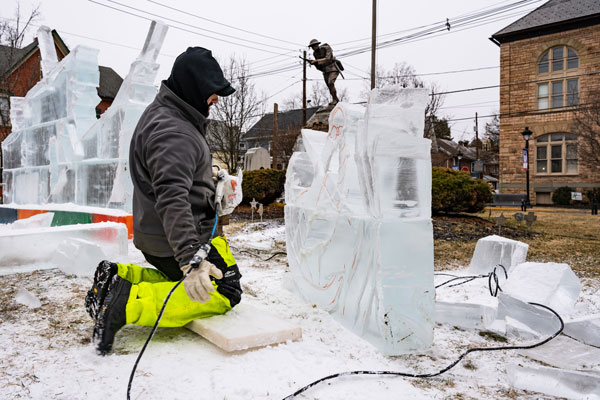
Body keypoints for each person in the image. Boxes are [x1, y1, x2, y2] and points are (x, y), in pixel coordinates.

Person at [84, 47, 242, 355]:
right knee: (226, 289)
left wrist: (210, 179)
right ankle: (126, 303)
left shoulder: (168, 112)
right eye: (213, 92)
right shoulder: (174, 131)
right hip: (176, 240)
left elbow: (173, 173)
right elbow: (172, 197)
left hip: (158, 235)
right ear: (195, 87)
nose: (216, 99)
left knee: (194, 274)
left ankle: (119, 278)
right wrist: (190, 260)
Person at [308, 39, 343, 106]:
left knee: (331, 82)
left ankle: (335, 100)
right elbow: (319, 66)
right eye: (312, 46)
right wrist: (314, 63)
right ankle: (335, 99)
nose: (313, 48)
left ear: (317, 45)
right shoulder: (315, 54)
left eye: (314, 46)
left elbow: (328, 58)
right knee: (329, 86)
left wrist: (316, 61)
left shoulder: (326, 48)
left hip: (333, 67)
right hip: (325, 70)